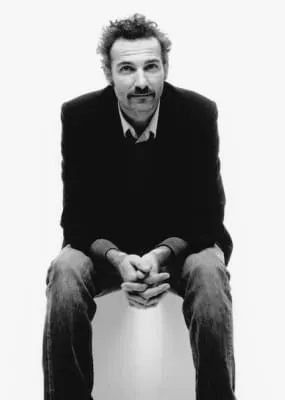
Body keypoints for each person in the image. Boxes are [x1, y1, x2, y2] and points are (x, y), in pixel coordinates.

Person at [42, 13, 236, 400]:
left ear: (165, 68)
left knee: (209, 271)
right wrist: (117, 259)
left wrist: (160, 255)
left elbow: (207, 216)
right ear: (109, 74)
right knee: (65, 270)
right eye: (127, 69)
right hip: (107, 253)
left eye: (152, 67)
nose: (142, 82)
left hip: (181, 248)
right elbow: (76, 219)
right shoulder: (79, 117)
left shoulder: (198, 114)